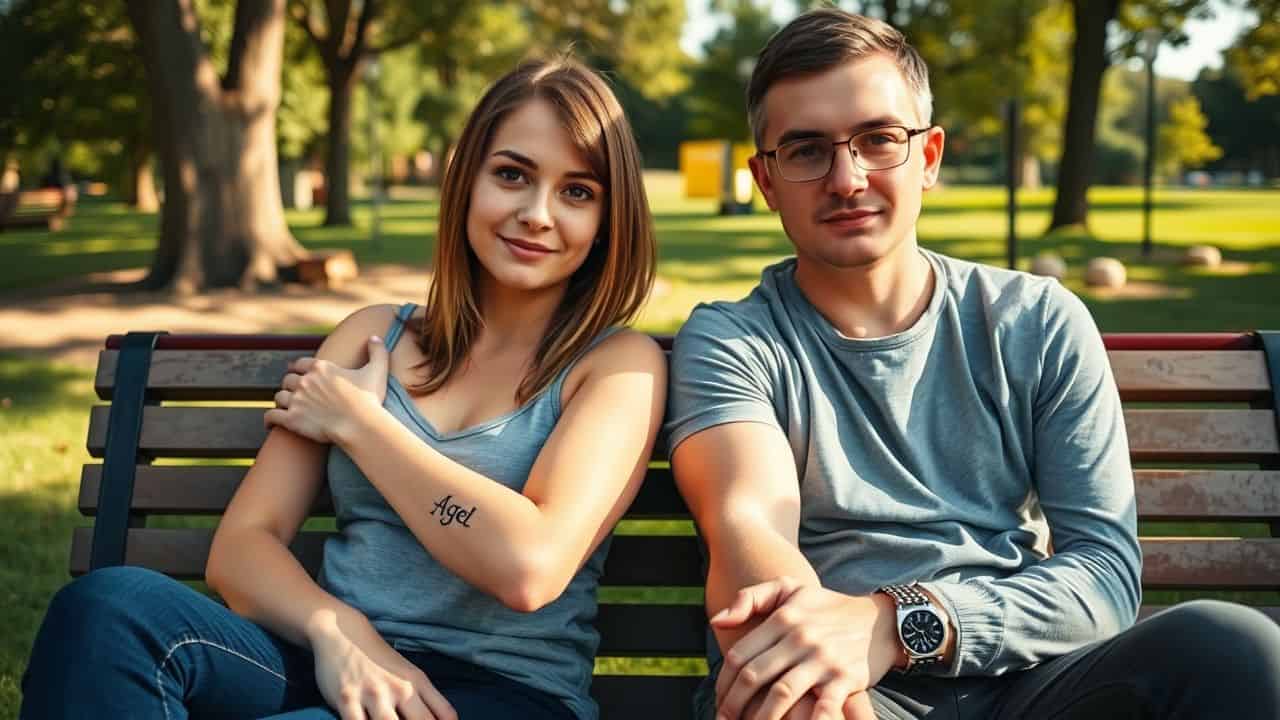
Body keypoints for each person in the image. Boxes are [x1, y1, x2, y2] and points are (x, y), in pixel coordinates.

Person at [665, 9, 1280, 720]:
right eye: (805, 150)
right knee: (790, 695)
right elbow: (750, 524)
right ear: (765, 181)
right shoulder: (736, 340)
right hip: (846, 694)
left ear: (927, 157)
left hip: (1029, 683)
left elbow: (1104, 577)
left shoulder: (1036, 320)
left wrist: (897, 623)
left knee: (1228, 646)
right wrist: (816, 658)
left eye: (878, 140)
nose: (846, 177)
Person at [22, 56, 665, 720]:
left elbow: (528, 568)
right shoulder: (372, 336)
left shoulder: (617, 366)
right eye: (512, 175)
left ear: (609, 221)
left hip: (499, 693)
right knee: (108, 610)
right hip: (325, 658)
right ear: (466, 182)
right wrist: (338, 631)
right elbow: (242, 547)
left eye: (577, 192)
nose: (536, 213)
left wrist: (362, 425)